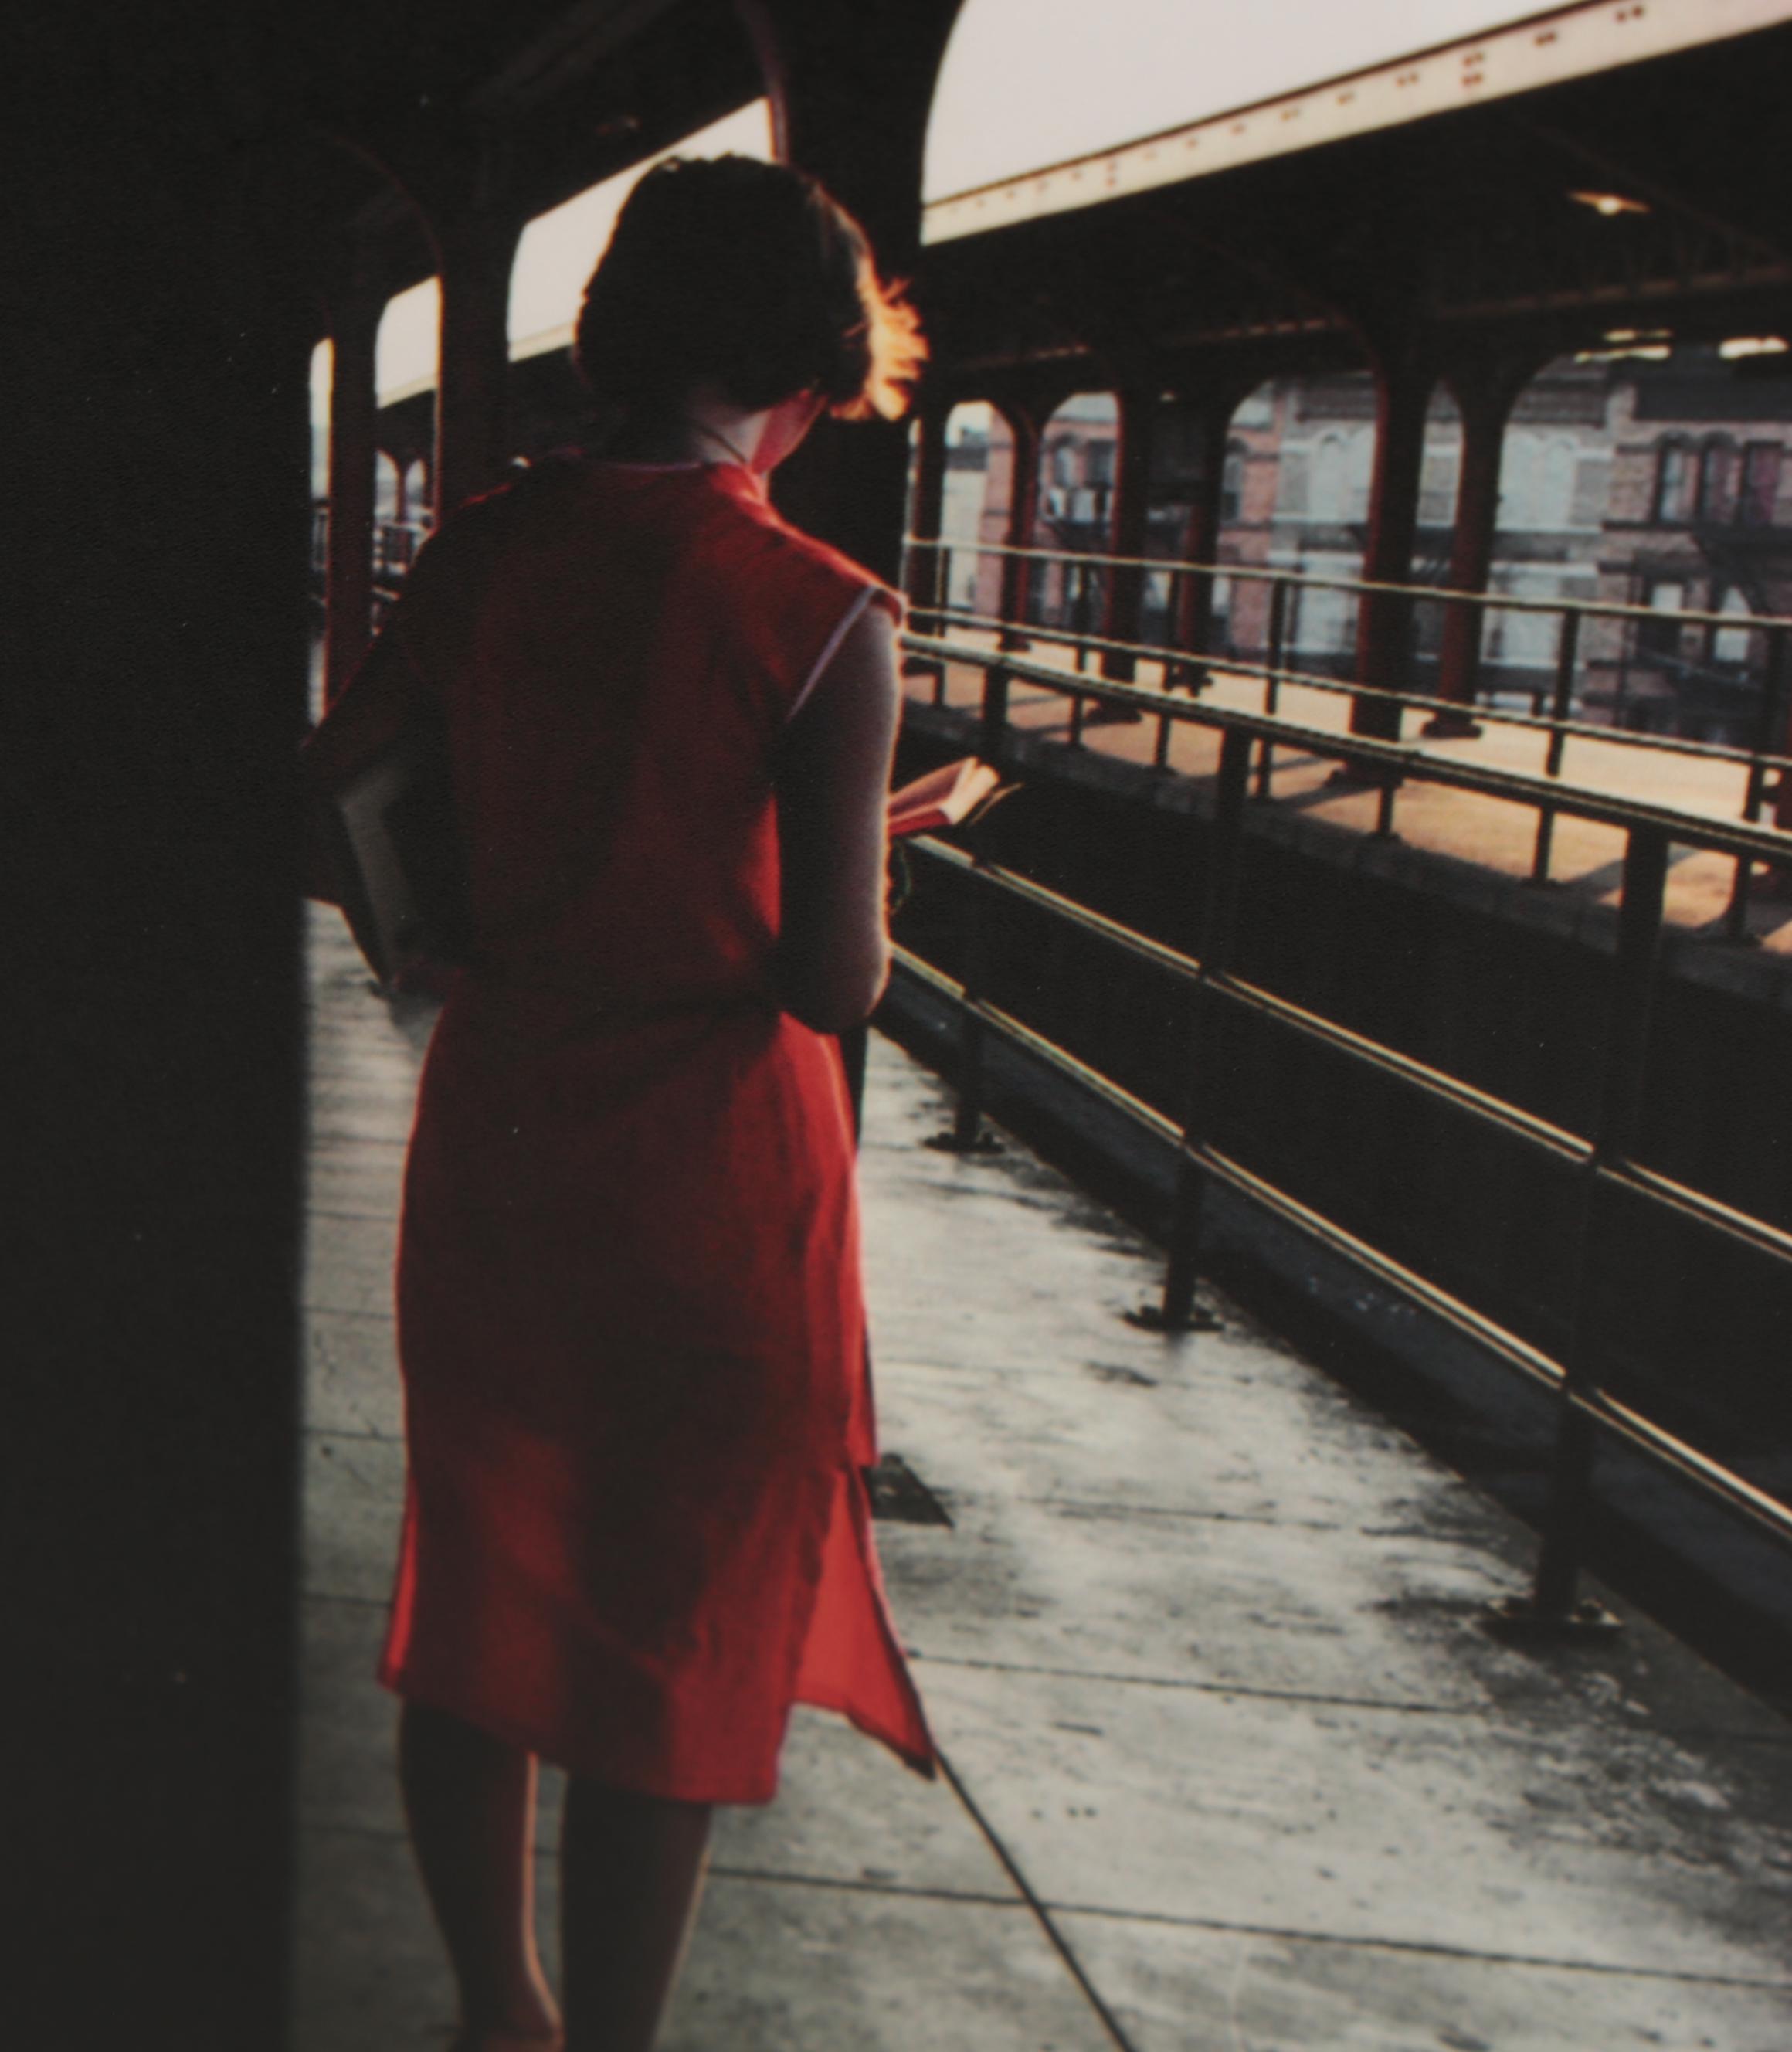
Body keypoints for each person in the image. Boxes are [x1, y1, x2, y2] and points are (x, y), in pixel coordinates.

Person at [302, 155, 937, 2052]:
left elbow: (332, 793)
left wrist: (470, 913)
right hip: (709, 1176)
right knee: (663, 1628)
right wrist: (865, 859)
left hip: (500, 1132)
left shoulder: (486, 544)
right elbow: (833, 980)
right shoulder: (821, 609)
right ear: (815, 368)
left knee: (485, 1575)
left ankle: (500, 2005)